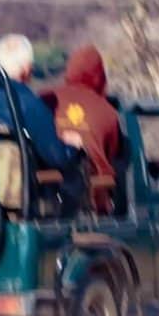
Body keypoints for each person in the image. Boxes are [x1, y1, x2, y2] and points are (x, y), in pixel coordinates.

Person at [0, 34, 84, 178]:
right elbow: (57, 157)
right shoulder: (26, 101)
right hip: (16, 189)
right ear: (26, 69)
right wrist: (73, 146)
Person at [44, 44, 123, 211]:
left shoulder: (45, 100)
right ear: (99, 76)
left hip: (47, 195)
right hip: (94, 201)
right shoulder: (108, 111)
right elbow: (113, 155)